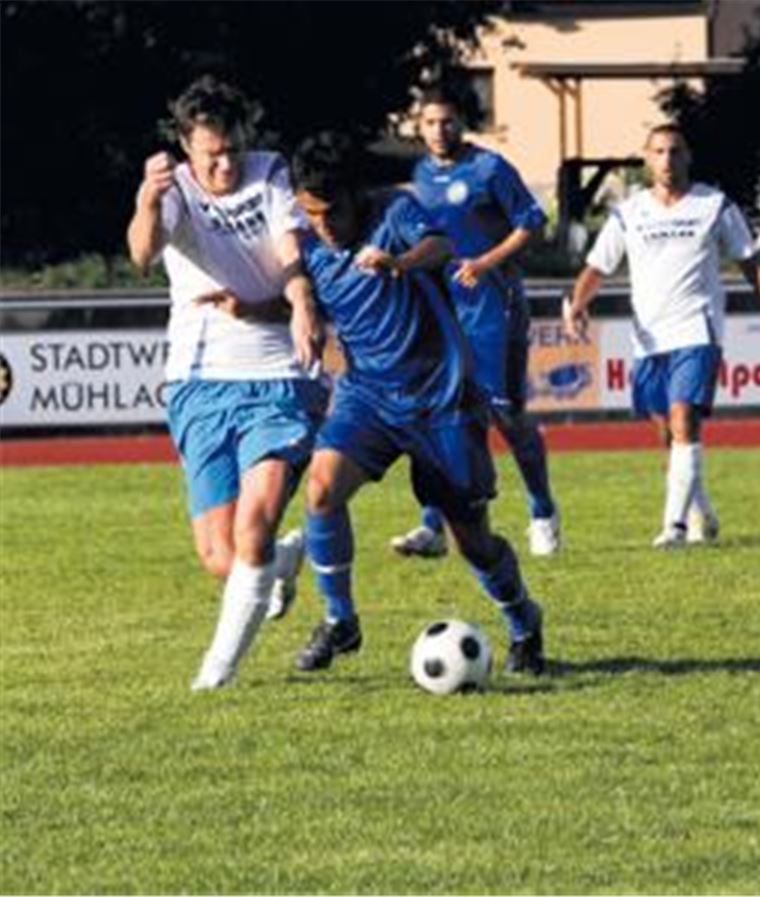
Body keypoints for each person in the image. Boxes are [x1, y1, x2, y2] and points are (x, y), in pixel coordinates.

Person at [288, 133, 546, 675]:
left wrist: (398, 263)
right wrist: (291, 304)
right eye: (311, 213)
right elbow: (286, 287)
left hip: (442, 400)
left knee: (471, 541)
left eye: (332, 211)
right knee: (321, 489)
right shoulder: (307, 244)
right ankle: (340, 622)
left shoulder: (394, 212)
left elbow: (442, 247)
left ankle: (524, 620)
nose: (324, 224)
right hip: (368, 398)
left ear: (355, 196)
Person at [126, 76, 327, 690]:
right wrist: (145, 199)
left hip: (276, 376)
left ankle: (215, 676)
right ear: (188, 149)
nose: (224, 161)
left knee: (251, 529)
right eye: (211, 151)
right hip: (198, 380)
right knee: (223, 557)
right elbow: (142, 252)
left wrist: (300, 302)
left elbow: (289, 249)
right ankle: (285, 559)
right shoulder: (176, 187)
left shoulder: (270, 171)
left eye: (232, 147)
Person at [565, 123, 760, 548]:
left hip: (697, 328)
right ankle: (702, 513)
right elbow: (597, 268)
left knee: (683, 419)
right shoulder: (629, 212)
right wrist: (578, 304)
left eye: (675, 151)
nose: (666, 160)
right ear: (646, 158)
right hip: (649, 338)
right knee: (667, 435)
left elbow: (752, 265)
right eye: (658, 151)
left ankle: (673, 527)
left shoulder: (714, 205)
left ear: (688, 156)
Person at [388, 89, 561, 560]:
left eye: (447, 121)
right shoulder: (421, 174)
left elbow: (531, 221)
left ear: (461, 122)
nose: (439, 131)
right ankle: (433, 526)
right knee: (437, 414)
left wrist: (486, 262)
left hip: (492, 306)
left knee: (506, 415)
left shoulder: (490, 169)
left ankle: (542, 512)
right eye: (430, 123)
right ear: (418, 128)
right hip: (443, 311)